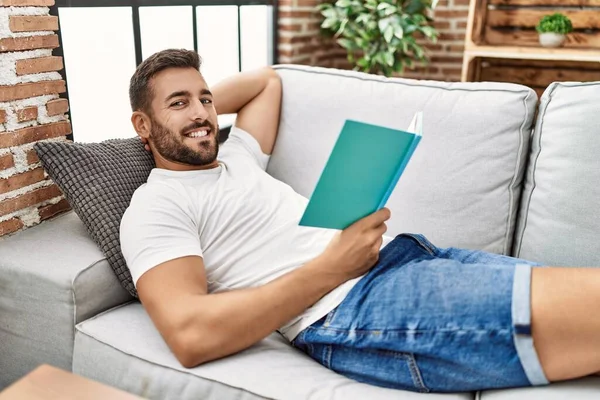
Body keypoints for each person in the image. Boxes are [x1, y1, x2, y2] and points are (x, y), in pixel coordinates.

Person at [120, 49, 600, 394]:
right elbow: (190, 336)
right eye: (178, 102)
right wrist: (333, 268)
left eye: (205, 99)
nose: (203, 113)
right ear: (142, 124)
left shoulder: (237, 157)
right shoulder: (156, 205)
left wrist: (193, 113)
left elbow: (267, 82)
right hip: (350, 308)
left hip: (409, 259)